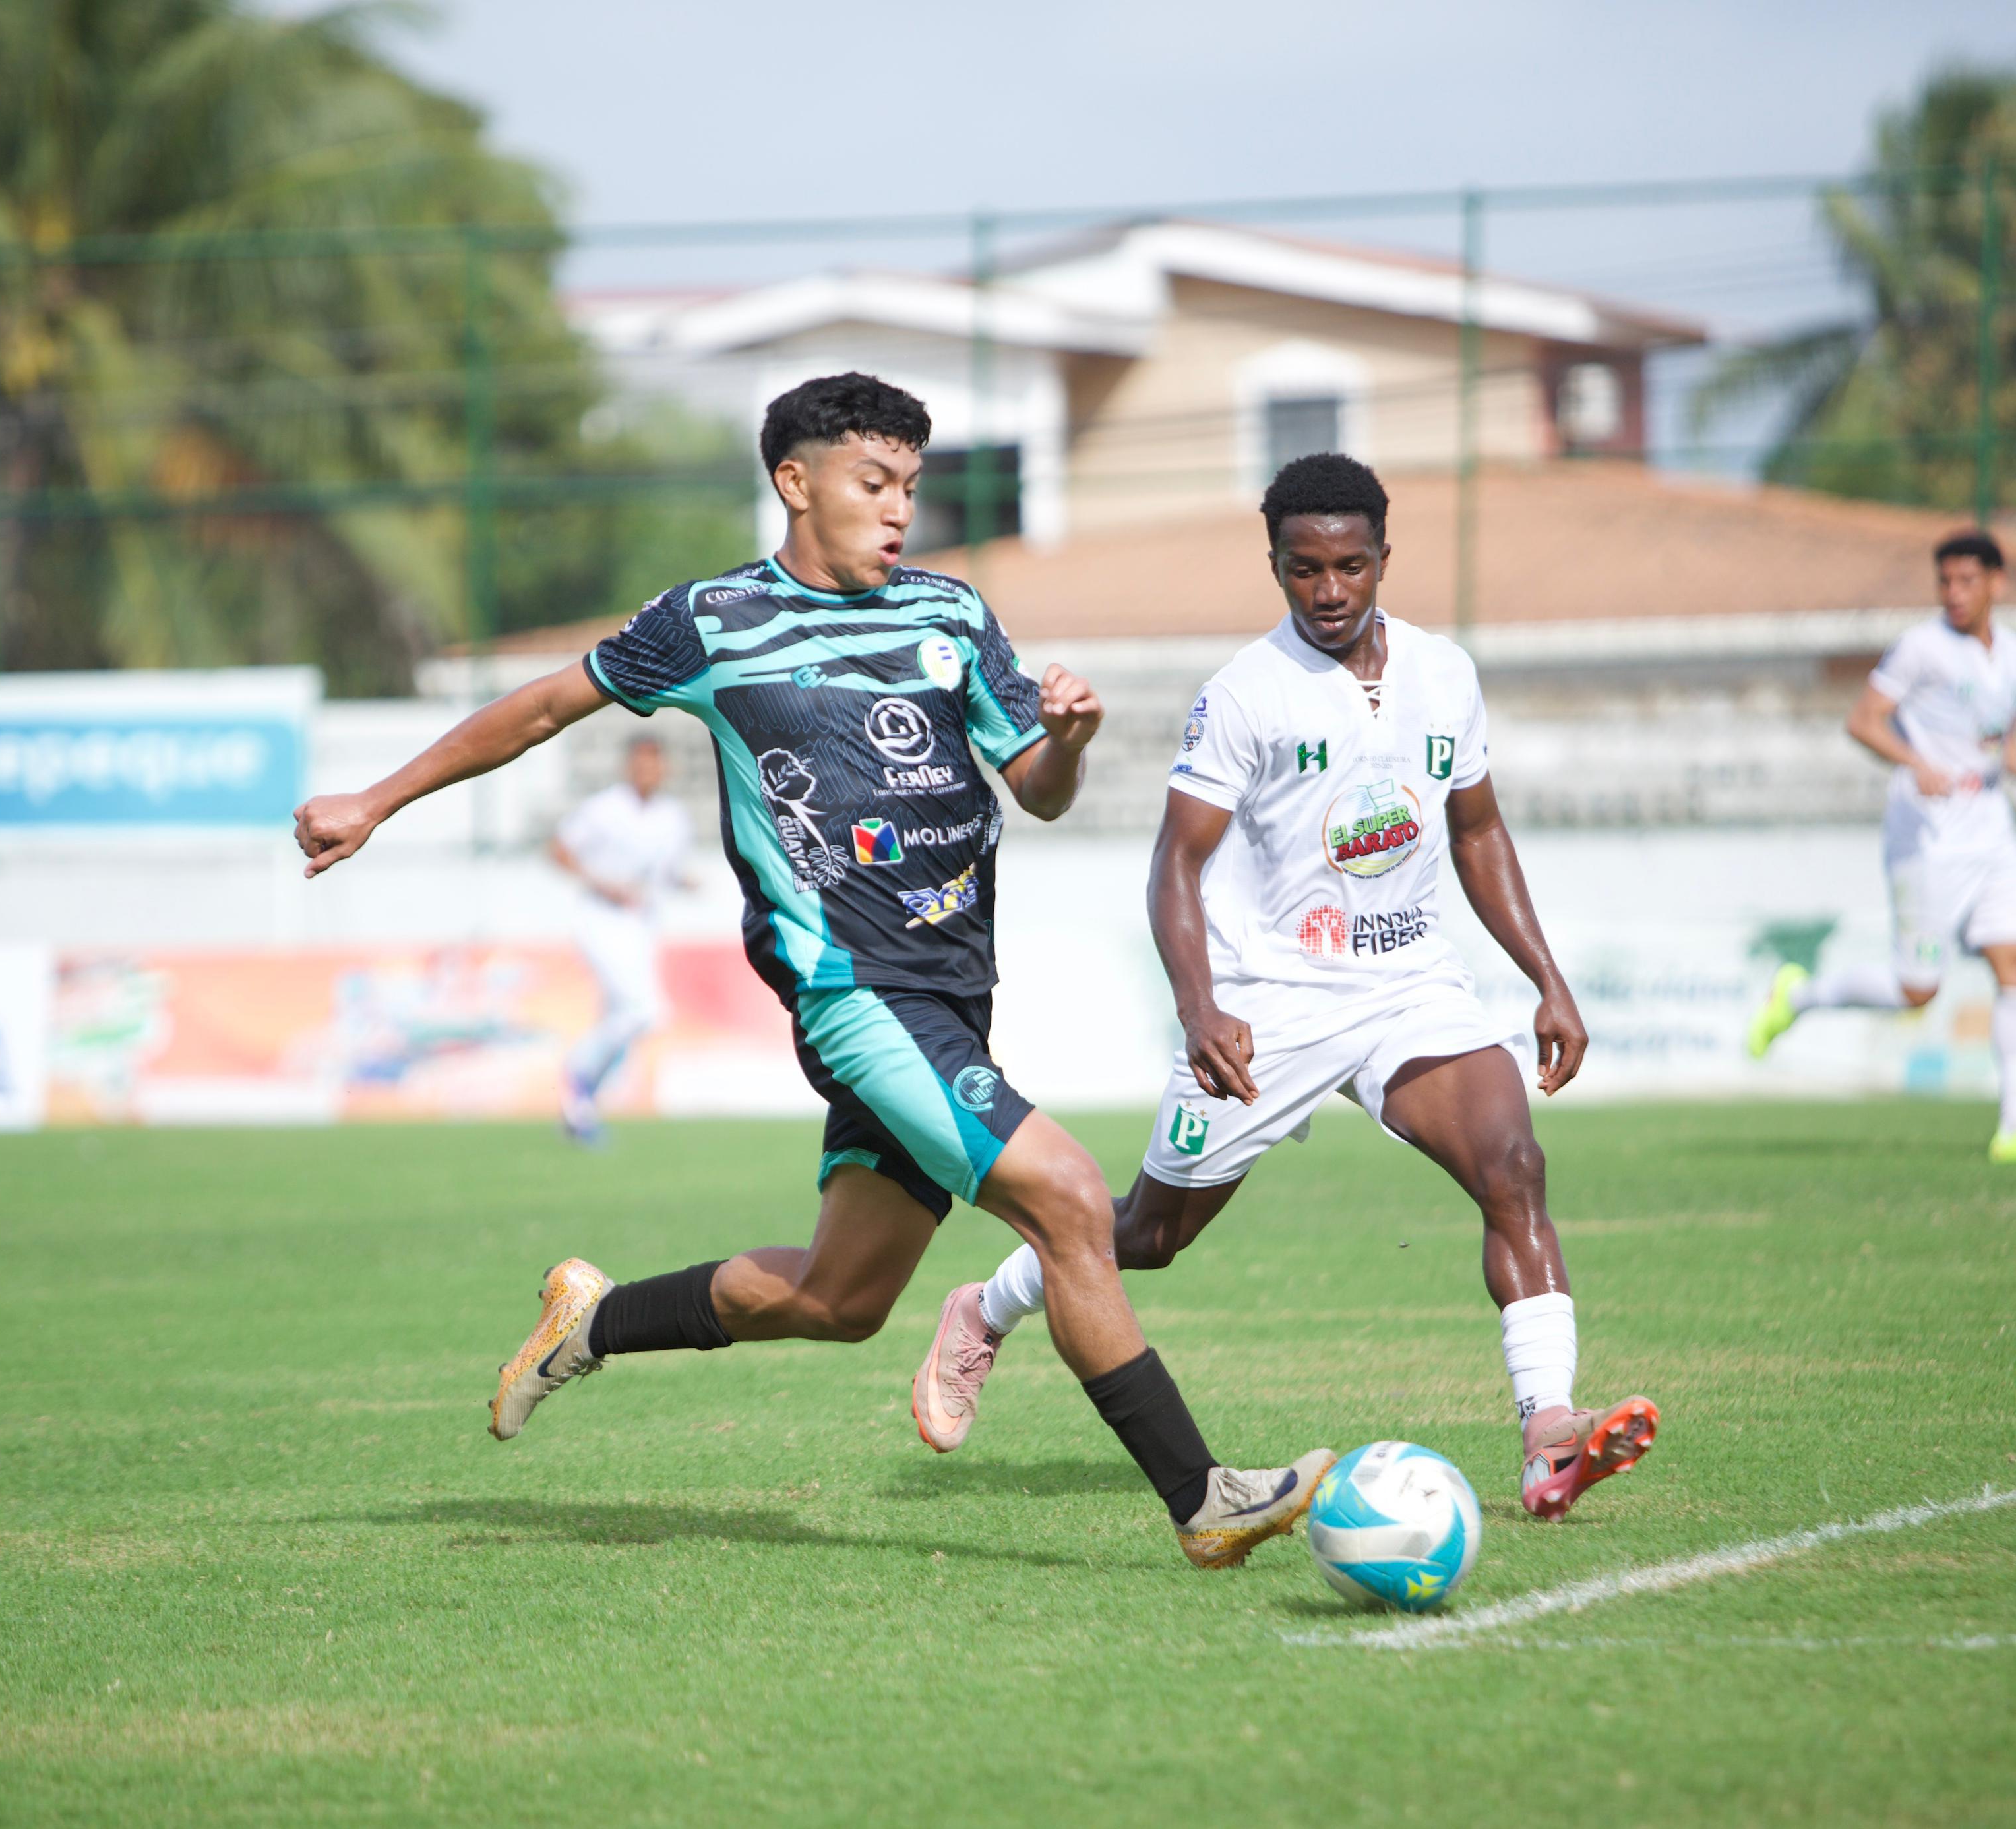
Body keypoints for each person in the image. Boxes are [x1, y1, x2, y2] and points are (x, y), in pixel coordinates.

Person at [292, 371, 1331, 1569]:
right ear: (796, 482)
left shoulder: (950, 613)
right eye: (873, 482)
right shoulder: (712, 619)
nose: (900, 509)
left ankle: (595, 1318)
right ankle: (1205, 1498)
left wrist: (1070, 740)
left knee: (842, 1300)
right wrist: (376, 799)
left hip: (953, 997)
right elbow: (538, 711)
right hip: (857, 994)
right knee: (1069, 1197)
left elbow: (1038, 791)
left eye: (910, 487)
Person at [909, 452, 1659, 1524]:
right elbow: (1175, 864)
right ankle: (988, 1305)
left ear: (1384, 557)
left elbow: (1479, 829)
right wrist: (1200, 1007)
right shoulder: (1244, 694)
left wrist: (1548, 978)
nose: (1329, 589)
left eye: (1351, 565)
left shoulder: (1446, 672)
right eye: (1305, 568)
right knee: (1151, 1236)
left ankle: (1549, 1431)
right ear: (1276, 566)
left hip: (1410, 984)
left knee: (1514, 1165)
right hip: (1267, 1001)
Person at [1747, 529, 2016, 1164]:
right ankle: (1797, 997)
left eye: (1967, 581)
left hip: (1990, 827)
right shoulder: (1921, 648)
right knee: (1917, 989)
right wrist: (1915, 763)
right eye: (1945, 581)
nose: (1954, 593)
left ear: (1997, 583)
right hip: (1928, 834)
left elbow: (1998, 740)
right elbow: (1863, 720)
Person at [548, 735, 694, 1145]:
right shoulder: (605, 809)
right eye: (641, 763)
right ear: (629, 766)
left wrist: (689, 884)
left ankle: (580, 1107)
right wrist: (602, 883)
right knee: (643, 1011)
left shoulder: (673, 817)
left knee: (622, 1015)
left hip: (641, 922)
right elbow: (559, 850)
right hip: (601, 916)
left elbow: (667, 873)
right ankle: (577, 1076)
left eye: (655, 763)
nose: (648, 771)